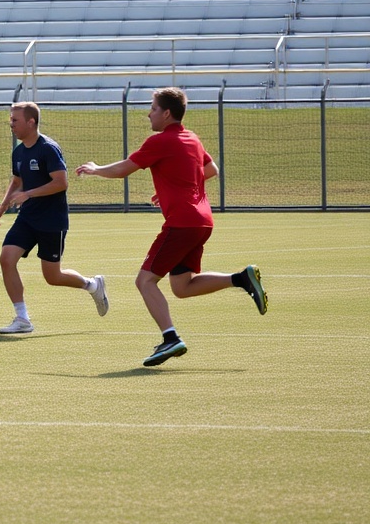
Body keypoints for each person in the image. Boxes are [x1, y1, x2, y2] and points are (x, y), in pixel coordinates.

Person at [75, 87, 268, 367]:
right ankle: (241, 279)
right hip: (202, 221)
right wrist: (175, 182)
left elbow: (123, 169)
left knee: (144, 281)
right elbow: (211, 169)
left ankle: (170, 338)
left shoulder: (160, 141)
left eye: (153, 108)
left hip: (182, 222)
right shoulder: (192, 138)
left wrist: (95, 168)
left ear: (166, 113)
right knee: (181, 286)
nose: (149, 113)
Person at [0, 102, 109, 334]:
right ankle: (22, 318)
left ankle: (92, 285)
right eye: (10, 120)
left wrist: (28, 194)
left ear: (31, 122)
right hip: (27, 218)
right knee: (6, 259)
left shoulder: (48, 148)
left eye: (15, 120)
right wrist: (2, 206)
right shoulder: (18, 151)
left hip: (52, 220)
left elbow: (60, 182)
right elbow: (17, 181)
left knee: (52, 276)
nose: (11, 124)